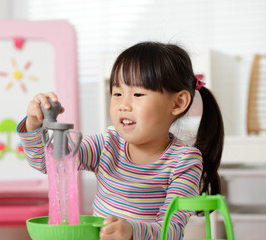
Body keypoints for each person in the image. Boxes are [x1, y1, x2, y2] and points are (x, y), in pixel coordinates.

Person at [17, 41, 224, 240]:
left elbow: (171, 231)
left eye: (138, 94)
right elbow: (47, 163)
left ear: (178, 103)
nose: (123, 105)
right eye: (117, 93)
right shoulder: (106, 145)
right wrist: (34, 125)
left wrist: (131, 231)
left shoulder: (184, 162)